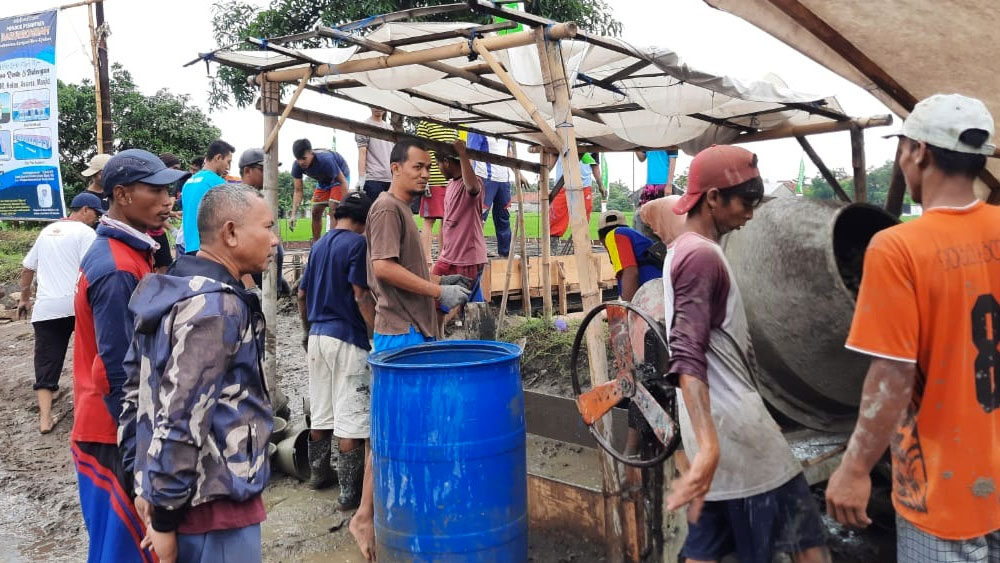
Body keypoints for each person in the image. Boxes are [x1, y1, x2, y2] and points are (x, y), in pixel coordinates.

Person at [826, 94, 1000, 562]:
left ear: (919, 151)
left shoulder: (898, 248)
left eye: (901, 148)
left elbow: (893, 377)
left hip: (940, 492)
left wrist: (855, 468)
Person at [662, 145, 829, 563]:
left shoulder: (684, 249)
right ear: (713, 197)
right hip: (736, 433)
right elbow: (687, 352)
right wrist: (711, 445)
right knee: (807, 542)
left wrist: (705, 446)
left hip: (716, 430)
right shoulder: (700, 256)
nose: (751, 214)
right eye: (744, 203)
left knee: (706, 547)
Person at [119, 183, 277, 563]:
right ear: (231, 233)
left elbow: (130, 392)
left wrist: (143, 484)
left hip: (167, 492)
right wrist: (166, 519)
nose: (274, 241)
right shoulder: (215, 307)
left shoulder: (172, 289)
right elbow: (182, 417)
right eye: (269, 227)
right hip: (210, 509)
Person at [349, 139, 471, 560]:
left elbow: (402, 274)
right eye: (417, 167)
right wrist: (439, 288)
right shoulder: (386, 208)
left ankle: (394, 510)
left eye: (427, 168)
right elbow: (382, 268)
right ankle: (365, 515)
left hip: (414, 330)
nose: (424, 174)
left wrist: (439, 303)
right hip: (399, 335)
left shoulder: (404, 210)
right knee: (389, 430)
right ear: (396, 167)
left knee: (405, 429)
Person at [72, 149, 184, 563]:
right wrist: (138, 465)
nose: (168, 199)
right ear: (121, 194)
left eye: (168, 189)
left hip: (118, 426)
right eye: (155, 190)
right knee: (124, 551)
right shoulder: (118, 267)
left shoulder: (137, 252)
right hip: (111, 431)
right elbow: (122, 371)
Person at [298, 192, 376, 505]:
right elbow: (360, 294)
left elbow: (302, 294)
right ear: (365, 219)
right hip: (346, 337)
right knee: (351, 416)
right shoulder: (357, 244)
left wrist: (307, 331)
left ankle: (318, 474)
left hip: (317, 336)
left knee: (321, 410)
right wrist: (374, 334)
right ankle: (349, 492)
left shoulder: (318, 246)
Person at [18, 192, 101, 433]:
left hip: (47, 307)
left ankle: (45, 419)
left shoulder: (47, 232)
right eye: (95, 214)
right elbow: (92, 268)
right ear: (85, 210)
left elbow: (27, 267)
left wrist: (24, 299)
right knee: (90, 356)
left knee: (46, 361)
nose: (96, 220)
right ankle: (90, 409)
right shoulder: (86, 233)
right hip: (77, 305)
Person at [432, 140, 486, 306]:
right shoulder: (451, 184)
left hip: (467, 257)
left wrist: (463, 153)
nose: (439, 169)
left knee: (468, 304)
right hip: (449, 256)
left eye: (439, 164)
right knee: (434, 293)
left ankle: (480, 329)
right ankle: (439, 329)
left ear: (446, 163)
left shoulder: (472, 183)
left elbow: (472, 188)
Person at [238, 148, 290, 295]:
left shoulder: (258, 197)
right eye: (264, 170)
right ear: (247, 171)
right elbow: (238, 246)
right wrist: (250, 285)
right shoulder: (239, 200)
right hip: (252, 280)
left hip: (266, 276)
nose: (270, 175)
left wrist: (278, 278)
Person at [290, 138, 350, 243]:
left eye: (304, 158)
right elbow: (298, 190)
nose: (301, 162)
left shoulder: (325, 160)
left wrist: (344, 206)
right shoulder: (297, 166)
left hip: (339, 178)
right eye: (298, 159)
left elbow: (343, 182)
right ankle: (316, 244)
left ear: (311, 152)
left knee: (334, 208)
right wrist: (293, 214)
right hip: (323, 182)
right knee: (315, 211)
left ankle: (332, 243)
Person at [181, 140, 235, 254]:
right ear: (218, 157)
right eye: (228, 161)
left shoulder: (188, 182)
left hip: (189, 246)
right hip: (209, 248)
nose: (228, 167)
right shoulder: (217, 183)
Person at [415, 120, 458, 265]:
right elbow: (420, 151)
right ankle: (426, 259)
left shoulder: (451, 124)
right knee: (429, 219)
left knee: (446, 220)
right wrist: (423, 176)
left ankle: (443, 257)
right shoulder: (426, 123)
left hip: (449, 179)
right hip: (432, 179)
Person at [596, 210, 660, 302]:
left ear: (601, 239)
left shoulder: (613, 236)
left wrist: (628, 308)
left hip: (653, 295)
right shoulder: (632, 235)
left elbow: (630, 272)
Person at [467, 132, 512, 257]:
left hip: (504, 179)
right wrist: (468, 177)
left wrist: (519, 174)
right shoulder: (478, 129)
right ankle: (474, 251)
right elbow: (470, 154)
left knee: (504, 217)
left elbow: (509, 153)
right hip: (485, 178)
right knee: (480, 217)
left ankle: (505, 252)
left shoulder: (507, 130)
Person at [550, 152, 605, 240]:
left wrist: (600, 185)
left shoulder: (591, 144)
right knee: (557, 215)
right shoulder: (561, 140)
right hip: (562, 184)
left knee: (583, 216)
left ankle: (578, 244)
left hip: (584, 185)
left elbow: (595, 165)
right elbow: (553, 157)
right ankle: (553, 243)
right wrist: (544, 175)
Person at [147, 152, 183, 273]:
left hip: (158, 233)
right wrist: (172, 229)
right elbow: (153, 211)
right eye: (174, 169)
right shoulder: (151, 186)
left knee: (165, 265)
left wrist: (173, 214)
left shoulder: (164, 186)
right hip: (148, 235)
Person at [356, 107, 394, 200]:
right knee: (374, 212)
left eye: (380, 105)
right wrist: (361, 178)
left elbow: (393, 153)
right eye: (375, 105)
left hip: (391, 179)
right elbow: (362, 153)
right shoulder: (364, 126)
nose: (378, 108)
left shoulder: (390, 128)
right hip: (373, 179)